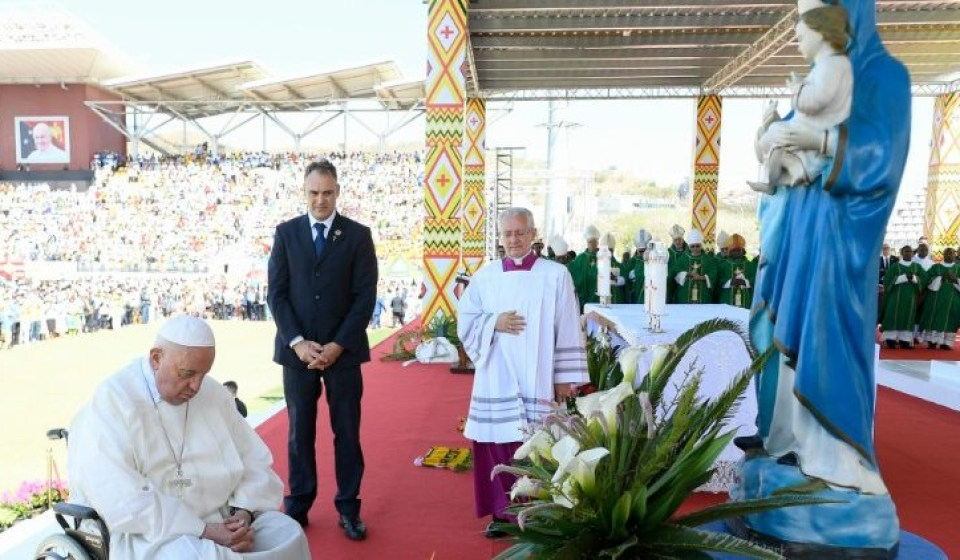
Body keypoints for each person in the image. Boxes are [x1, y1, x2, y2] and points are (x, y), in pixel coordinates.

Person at [743, 0, 911, 549]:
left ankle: (839, 463)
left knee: (826, 341)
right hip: (797, 235)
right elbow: (784, 139)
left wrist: (813, 142)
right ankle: (786, 442)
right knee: (776, 335)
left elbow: (880, 161)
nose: (797, 30)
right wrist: (771, 134)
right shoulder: (818, 76)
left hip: (839, 245)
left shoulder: (884, 76)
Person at [67, 315, 310, 558]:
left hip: (223, 516)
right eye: (187, 373)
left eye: (203, 374)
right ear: (156, 358)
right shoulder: (115, 399)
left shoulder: (212, 393)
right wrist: (205, 531)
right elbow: (119, 495)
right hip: (151, 533)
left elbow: (253, 460)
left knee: (287, 533)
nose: (195, 386)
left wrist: (242, 514)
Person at [457, 207, 587, 538]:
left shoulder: (555, 275)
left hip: (539, 376)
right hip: (496, 375)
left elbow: (568, 326)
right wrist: (493, 322)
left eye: (520, 233)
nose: (513, 240)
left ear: (533, 235)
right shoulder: (486, 276)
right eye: (507, 234)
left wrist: (562, 377)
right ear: (499, 238)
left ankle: (539, 513)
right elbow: (467, 320)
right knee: (497, 443)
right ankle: (503, 515)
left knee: (536, 443)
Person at [267, 159, 378, 540]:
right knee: (299, 433)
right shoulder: (286, 233)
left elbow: (365, 298)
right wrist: (297, 343)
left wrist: (337, 345)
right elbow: (276, 295)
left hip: (343, 355)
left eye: (327, 192)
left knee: (347, 433)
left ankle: (349, 507)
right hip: (297, 355)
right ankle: (297, 507)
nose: (320, 200)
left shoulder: (359, 236)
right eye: (314, 192)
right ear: (304, 191)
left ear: (337, 192)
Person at [748, 3, 852, 194]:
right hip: (806, 137)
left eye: (801, 38)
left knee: (773, 135)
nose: (798, 47)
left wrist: (798, 90)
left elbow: (814, 102)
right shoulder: (825, 67)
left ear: (820, 33)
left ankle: (781, 166)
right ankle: (773, 176)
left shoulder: (834, 65)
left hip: (816, 144)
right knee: (773, 133)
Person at [881, 246, 923, 349]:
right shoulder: (895, 267)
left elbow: (924, 279)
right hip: (895, 298)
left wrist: (913, 277)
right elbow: (887, 280)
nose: (909, 253)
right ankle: (890, 339)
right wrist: (904, 277)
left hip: (911, 298)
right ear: (901, 253)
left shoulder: (917, 267)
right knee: (893, 315)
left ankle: (905, 340)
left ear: (913, 254)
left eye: (910, 251)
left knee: (907, 317)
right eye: (906, 251)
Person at [918, 247, 959, 350]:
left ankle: (946, 343)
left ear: (955, 256)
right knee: (934, 318)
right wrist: (941, 278)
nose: (949, 255)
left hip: (953, 301)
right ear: (943, 255)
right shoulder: (935, 268)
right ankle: (932, 341)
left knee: (950, 320)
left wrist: (956, 279)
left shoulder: (959, 268)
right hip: (935, 299)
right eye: (947, 253)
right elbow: (926, 280)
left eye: (951, 253)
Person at [669, 229, 716, 304]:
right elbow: (676, 272)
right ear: (689, 246)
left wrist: (700, 277)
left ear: (701, 245)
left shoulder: (708, 260)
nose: (695, 248)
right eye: (692, 246)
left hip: (703, 296)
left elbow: (714, 274)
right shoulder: (683, 258)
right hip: (685, 294)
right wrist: (688, 274)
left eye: (697, 246)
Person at [567, 225, 602, 311]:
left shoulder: (603, 256)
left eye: (595, 242)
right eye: (590, 242)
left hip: (599, 295)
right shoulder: (580, 258)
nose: (593, 244)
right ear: (587, 243)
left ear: (597, 243)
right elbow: (573, 272)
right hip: (584, 294)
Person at [717, 234, 757, 309]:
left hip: (746, 300)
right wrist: (730, 282)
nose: (736, 252)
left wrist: (745, 282)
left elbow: (755, 279)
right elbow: (718, 280)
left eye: (738, 250)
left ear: (743, 251)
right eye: (733, 250)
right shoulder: (723, 265)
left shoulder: (750, 264)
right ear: (729, 251)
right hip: (727, 300)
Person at [627, 229, 652, 303]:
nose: (643, 253)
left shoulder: (655, 260)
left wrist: (637, 273)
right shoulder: (632, 261)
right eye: (641, 251)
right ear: (637, 250)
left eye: (645, 250)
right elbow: (625, 279)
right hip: (636, 297)